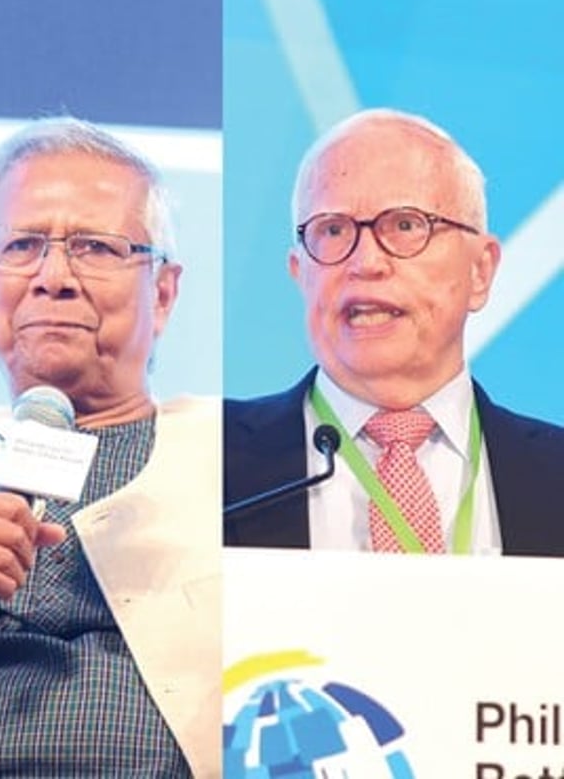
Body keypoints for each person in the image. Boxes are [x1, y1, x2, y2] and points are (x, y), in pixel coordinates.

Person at [0, 119, 220, 777]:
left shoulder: (239, 457)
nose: (53, 276)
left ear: (165, 291)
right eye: (24, 244)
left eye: (94, 246)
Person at [224, 108, 564, 554]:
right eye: (333, 230)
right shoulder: (206, 463)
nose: (365, 263)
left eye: (406, 225)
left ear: (480, 271)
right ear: (299, 272)